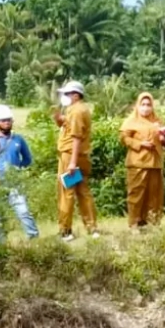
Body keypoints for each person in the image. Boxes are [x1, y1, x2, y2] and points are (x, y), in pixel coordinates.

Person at [52, 81, 99, 242]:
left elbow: (76, 137)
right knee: (83, 190)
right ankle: (92, 228)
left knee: (67, 192)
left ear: (76, 95)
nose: (64, 97)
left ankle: (65, 230)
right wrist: (60, 119)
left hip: (71, 155)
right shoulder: (78, 110)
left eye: (67, 94)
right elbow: (69, 125)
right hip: (80, 156)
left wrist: (72, 163)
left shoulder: (77, 112)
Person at [119, 92, 165, 230]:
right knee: (136, 194)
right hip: (137, 162)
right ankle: (134, 223)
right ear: (138, 105)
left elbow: (164, 142)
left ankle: (152, 223)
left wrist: (164, 139)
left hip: (155, 163)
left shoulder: (157, 121)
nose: (146, 108)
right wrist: (141, 143)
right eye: (143, 104)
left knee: (154, 196)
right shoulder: (131, 121)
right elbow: (124, 139)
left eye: (149, 105)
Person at [0, 105, 39, 243]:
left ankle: (34, 238)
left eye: (9, 120)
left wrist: (18, 168)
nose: (7, 122)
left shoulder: (18, 139)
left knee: (23, 211)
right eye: (3, 120)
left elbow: (28, 159)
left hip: (15, 181)